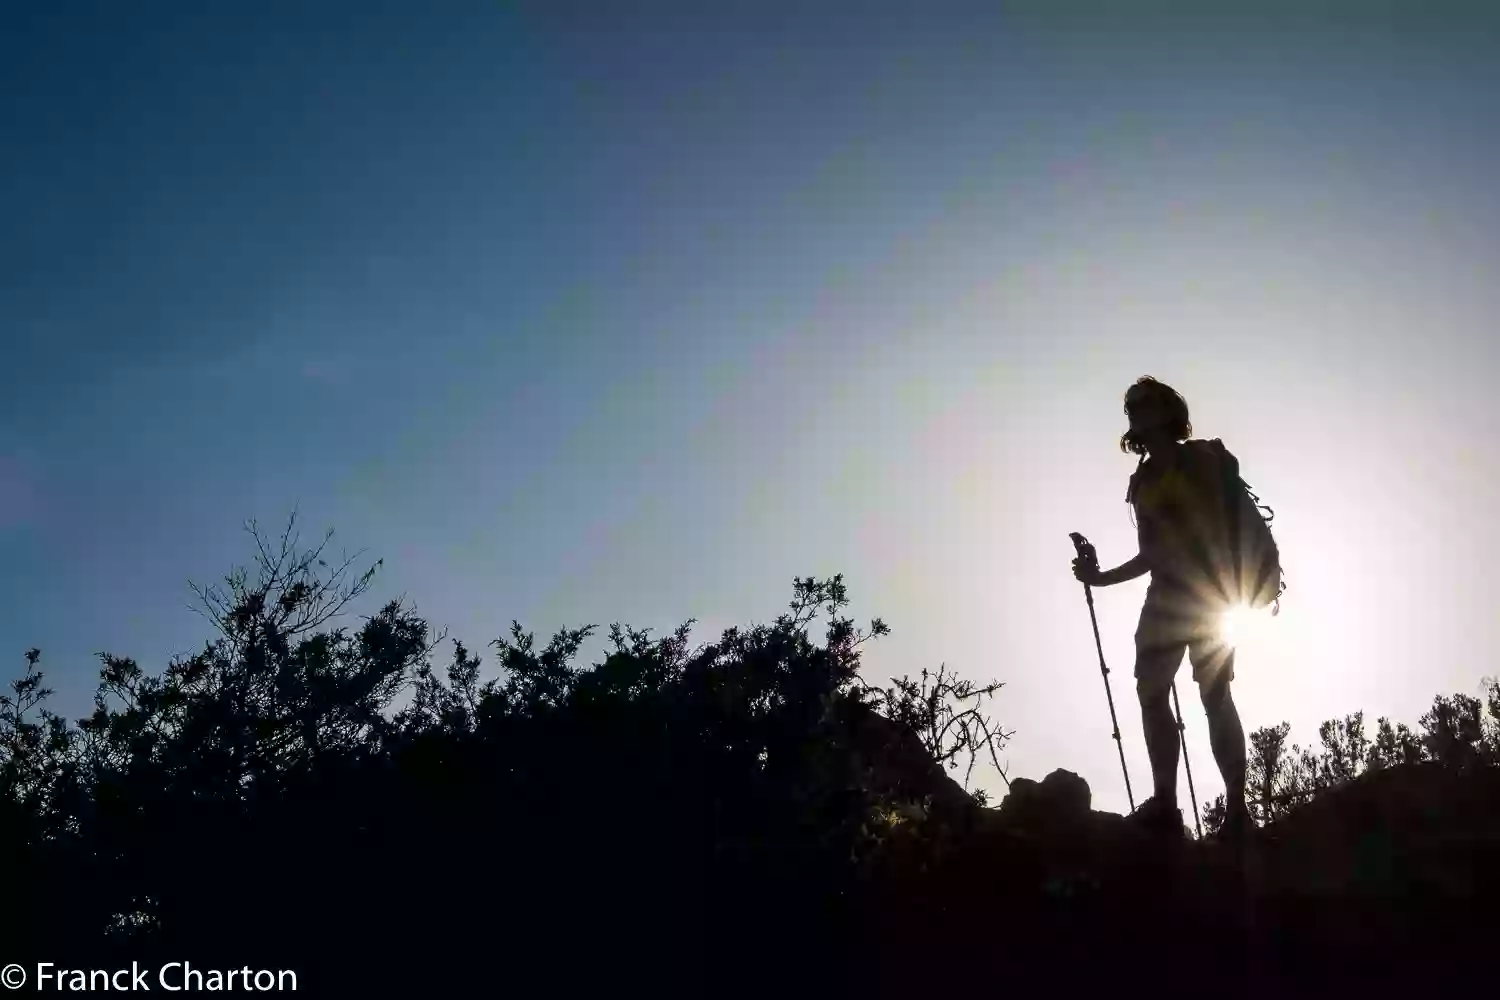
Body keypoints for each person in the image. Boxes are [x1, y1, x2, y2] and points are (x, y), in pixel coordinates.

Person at [1071, 376, 1254, 839]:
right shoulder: (1144, 479)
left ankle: (1236, 810)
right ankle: (1166, 805)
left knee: (1214, 696)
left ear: (1165, 410)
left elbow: (1209, 532)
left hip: (1209, 593)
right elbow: (1151, 553)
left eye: (1140, 403)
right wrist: (1099, 576)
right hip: (1175, 596)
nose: (1131, 410)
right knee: (1153, 694)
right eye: (1129, 405)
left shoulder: (1200, 460)